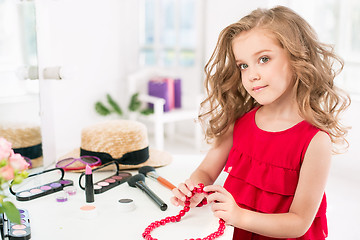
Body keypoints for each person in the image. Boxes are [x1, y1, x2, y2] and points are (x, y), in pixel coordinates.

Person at [171, 5, 350, 240]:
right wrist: (194, 189)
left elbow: (299, 223)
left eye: (263, 59)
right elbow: (206, 170)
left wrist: (240, 216)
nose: (251, 74)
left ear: (298, 57)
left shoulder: (315, 141)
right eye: (243, 65)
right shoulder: (238, 122)